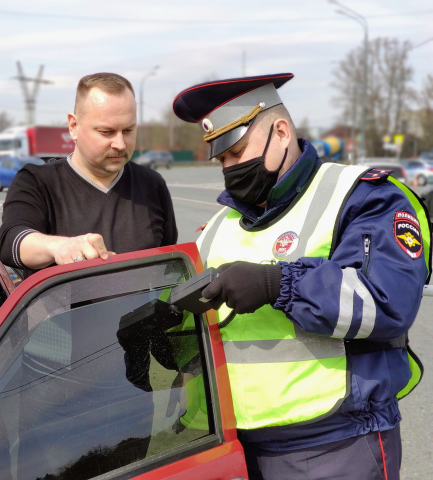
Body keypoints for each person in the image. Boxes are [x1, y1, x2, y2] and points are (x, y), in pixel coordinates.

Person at [172, 73, 430, 480]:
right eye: (222, 159)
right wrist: (159, 332)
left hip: (336, 444)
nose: (230, 168)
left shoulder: (362, 196)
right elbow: (209, 333)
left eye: (237, 151)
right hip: (234, 448)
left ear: (281, 131)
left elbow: (387, 303)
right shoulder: (218, 227)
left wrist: (278, 284)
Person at [0, 72, 177, 278]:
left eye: (128, 130)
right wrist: (59, 247)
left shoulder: (152, 184)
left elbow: (169, 266)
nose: (120, 144)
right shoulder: (37, 182)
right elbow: (11, 241)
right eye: (106, 132)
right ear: (74, 126)